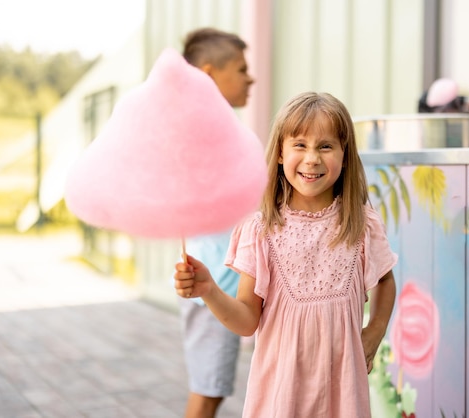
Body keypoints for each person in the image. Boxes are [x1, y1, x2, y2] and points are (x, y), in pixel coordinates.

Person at [174, 91, 398, 417]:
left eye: (325, 146)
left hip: (342, 394)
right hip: (281, 395)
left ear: (345, 155)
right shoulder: (261, 229)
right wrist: (208, 289)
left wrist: (375, 331)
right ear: (280, 153)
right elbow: (247, 320)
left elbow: (386, 282)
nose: (312, 158)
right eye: (300, 145)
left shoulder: (361, 223)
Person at [177, 27, 254, 418]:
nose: (250, 77)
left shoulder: (219, 132)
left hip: (223, 279)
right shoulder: (202, 134)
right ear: (209, 75)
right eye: (241, 69)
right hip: (214, 281)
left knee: (213, 386)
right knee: (208, 390)